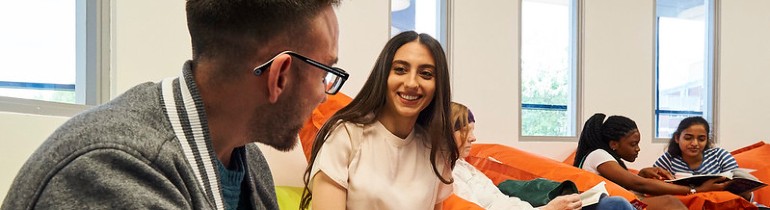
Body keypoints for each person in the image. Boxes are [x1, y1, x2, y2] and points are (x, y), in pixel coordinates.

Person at [2, 1, 346, 209]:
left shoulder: (245, 160)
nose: (324, 94)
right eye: (325, 73)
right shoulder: (113, 171)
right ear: (280, 76)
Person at [300, 31, 457, 210]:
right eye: (400, 70)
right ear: (383, 75)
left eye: (426, 74)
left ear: (438, 85)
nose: (412, 83)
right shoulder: (346, 135)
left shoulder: (436, 149)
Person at [450, 102, 635, 210]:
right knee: (615, 206)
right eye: (466, 131)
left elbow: (504, 202)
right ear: (445, 133)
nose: (473, 138)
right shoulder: (448, 179)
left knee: (613, 203)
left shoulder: (464, 166)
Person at [573, 113, 732, 210]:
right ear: (614, 144)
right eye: (633, 144)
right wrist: (695, 191)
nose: (638, 149)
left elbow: (620, 182)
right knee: (670, 203)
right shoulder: (598, 155)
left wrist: (642, 173)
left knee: (671, 202)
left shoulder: (603, 157)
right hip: (602, 206)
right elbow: (638, 184)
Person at [647, 116, 752, 200]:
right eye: (688, 138)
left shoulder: (720, 155)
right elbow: (651, 186)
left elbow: (738, 187)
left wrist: (745, 192)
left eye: (701, 139)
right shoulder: (668, 159)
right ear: (677, 138)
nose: (695, 144)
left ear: (707, 140)